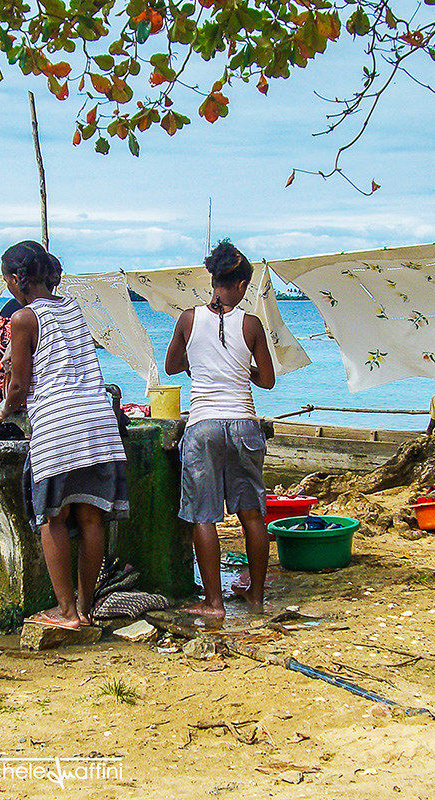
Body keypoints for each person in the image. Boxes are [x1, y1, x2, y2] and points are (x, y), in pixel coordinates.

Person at [0, 241, 129, 630]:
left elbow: (18, 383)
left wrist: (2, 411)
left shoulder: (23, 319)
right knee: (92, 517)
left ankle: (65, 612)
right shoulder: (72, 308)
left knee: (53, 518)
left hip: (59, 426)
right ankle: (84, 605)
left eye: (7, 281)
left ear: (16, 279)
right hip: (98, 424)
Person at [164, 240, 275, 616]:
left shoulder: (188, 319)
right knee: (252, 514)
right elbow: (268, 380)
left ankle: (213, 602)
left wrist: (200, 366)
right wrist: (242, 369)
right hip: (244, 424)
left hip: (204, 425)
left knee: (204, 515)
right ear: (242, 285)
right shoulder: (252, 324)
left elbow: (172, 366)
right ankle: (257, 596)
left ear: (214, 280)